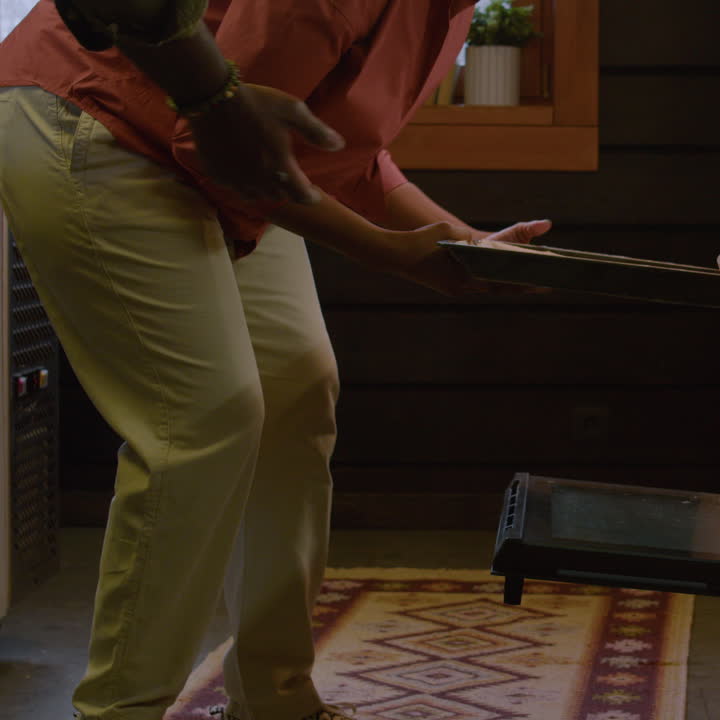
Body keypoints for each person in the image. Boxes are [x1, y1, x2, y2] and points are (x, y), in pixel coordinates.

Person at [0, 2, 549, 720]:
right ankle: (121, 711)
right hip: (98, 117)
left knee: (297, 386)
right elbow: (221, 139)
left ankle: (275, 698)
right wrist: (395, 256)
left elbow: (330, 139)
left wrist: (460, 241)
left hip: (209, 150)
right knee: (203, 416)